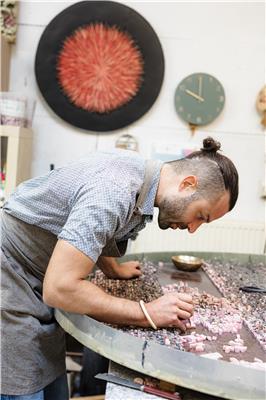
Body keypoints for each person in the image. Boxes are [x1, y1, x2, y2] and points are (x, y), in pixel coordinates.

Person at [1, 137, 238, 399]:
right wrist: (146, 312)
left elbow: (91, 232)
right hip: (11, 275)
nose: (193, 229)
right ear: (187, 184)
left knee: (52, 386)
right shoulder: (114, 191)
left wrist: (113, 269)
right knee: (22, 385)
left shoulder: (142, 180)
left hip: (37, 275)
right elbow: (60, 289)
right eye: (200, 216)